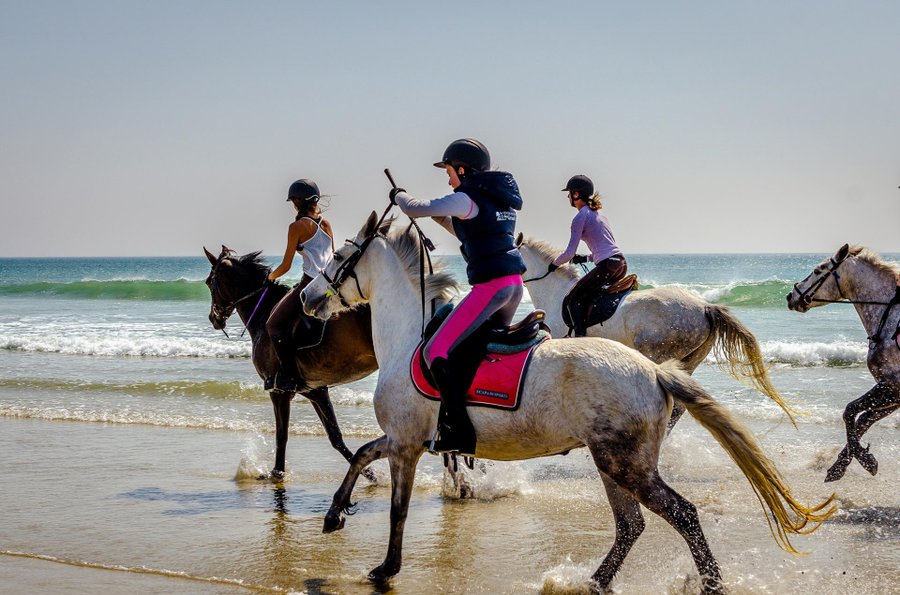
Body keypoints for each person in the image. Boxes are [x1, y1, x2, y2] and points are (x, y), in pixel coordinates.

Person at [390, 138, 526, 455]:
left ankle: (458, 432)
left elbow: (413, 207)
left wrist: (399, 196)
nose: (448, 179)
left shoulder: (465, 196)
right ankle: (482, 416)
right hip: (514, 288)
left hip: (491, 289)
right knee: (470, 349)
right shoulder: (498, 201)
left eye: (449, 171)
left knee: (435, 349)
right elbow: (467, 229)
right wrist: (438, 217)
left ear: (462, 170)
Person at [264, 179, 335, 392]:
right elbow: (331, 255)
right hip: (331, 283)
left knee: (273, 325)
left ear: (297, 201)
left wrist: (269, 278)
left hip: (310, 283)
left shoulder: (296, 227)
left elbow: (286, 266)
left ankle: (288, 376)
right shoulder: (326, 223)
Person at [549, 174, 627, 337]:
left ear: (576, 194)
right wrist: (584, 258)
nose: (568, 197)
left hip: (607, 265)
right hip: (620, 263)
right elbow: (605, 248)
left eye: (569, 193)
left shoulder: (580, 217)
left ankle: (580, 338)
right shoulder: (599, 214)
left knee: (573, 299)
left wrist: (554, 264)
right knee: (591, 296)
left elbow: (569, 252)